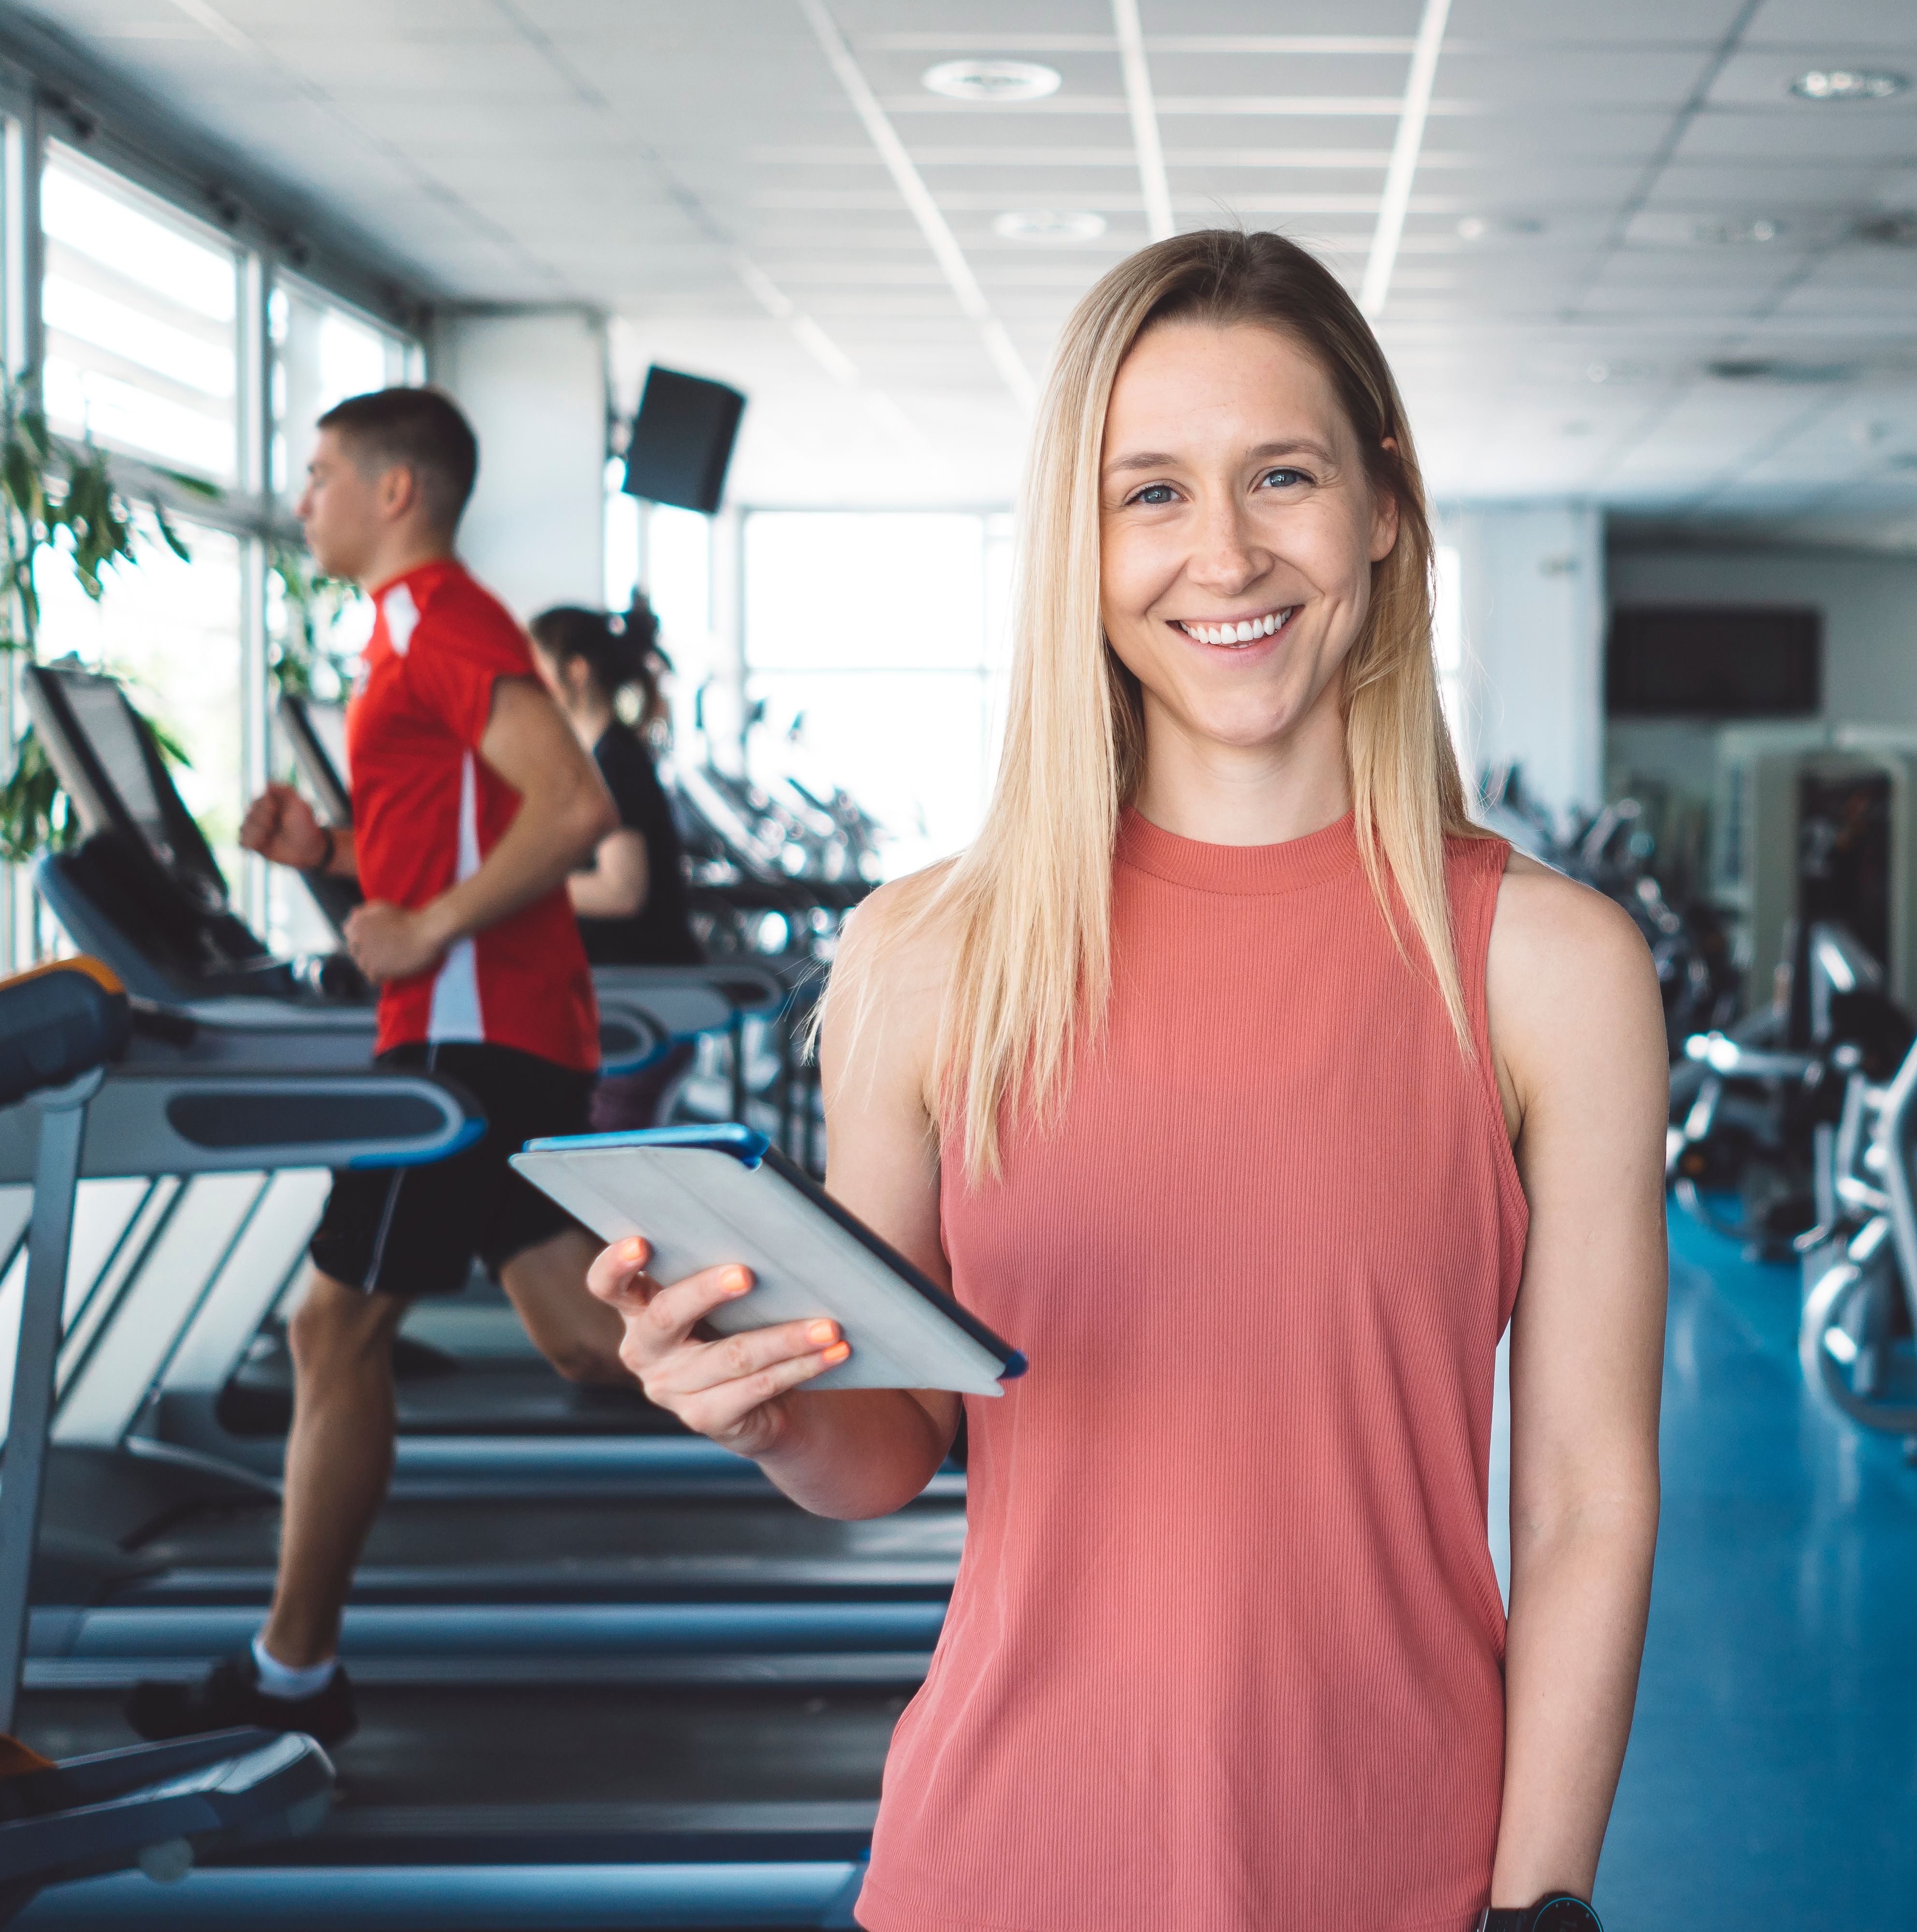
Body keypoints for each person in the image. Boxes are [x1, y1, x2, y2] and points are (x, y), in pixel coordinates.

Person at [582, 230, 1670, 1930]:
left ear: (1384, 507)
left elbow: (1591, 1496)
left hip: (1396, 1871)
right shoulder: (930, 954)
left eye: (1282, 477)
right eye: (1148, 493)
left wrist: (1543, 1906)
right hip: (996, 1860)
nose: (1222, 553)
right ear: (1076, 549)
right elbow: (888, 1447)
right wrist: (767, 1406)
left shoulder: (1549, 969)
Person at [127, 388, 625, 1747]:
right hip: (482, 1023)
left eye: (321, 474)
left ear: (396, 491)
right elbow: (463, 838)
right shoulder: (404, 634)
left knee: (330, 1330)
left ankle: (294, 1674)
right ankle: (882, 1380)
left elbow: (577, 807)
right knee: (586, 1340)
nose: (303, 500)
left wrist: (423, 926)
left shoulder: (440, 619)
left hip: (469, 1037)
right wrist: (335, 860)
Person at [529, 596, 706, 1130]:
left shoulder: (614, 763)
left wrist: (521, 888)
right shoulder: (603, 757)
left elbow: (622, 889)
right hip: (630, 997)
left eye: (533, 667)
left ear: (575, 672)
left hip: (643, 1004)